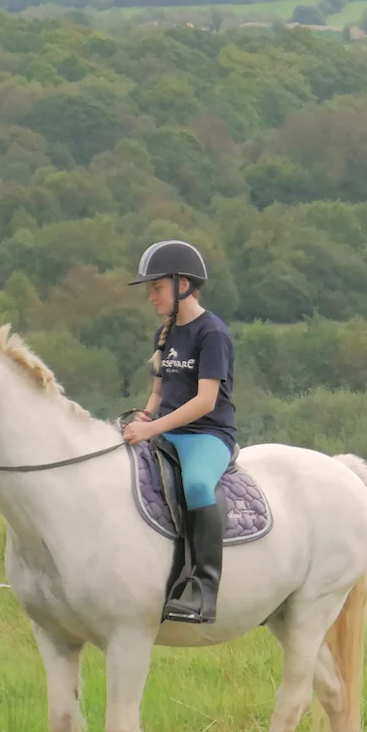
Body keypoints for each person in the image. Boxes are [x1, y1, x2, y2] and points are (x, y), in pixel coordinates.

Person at [121, 240, 235, 624]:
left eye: (157, 287)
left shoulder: (212, 334)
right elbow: (159, 390)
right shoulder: (164, 333)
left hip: (206, 434)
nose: (151, 296)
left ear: (182, 284)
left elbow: (205, 401)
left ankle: (204, 589)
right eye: (150, 289)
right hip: (165, 431)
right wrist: (143, 415)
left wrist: (153, 427)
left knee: (199, 486)